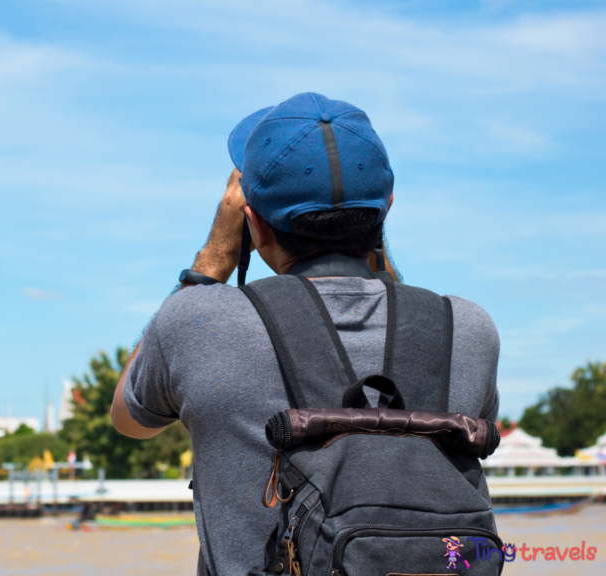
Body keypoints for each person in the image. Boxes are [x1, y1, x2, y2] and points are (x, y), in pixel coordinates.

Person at [110, 92, 499, 576]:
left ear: (250, 222)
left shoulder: (196, 321)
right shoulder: (469, 328)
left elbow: (129, 418)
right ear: (386, 209)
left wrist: (210, 264)